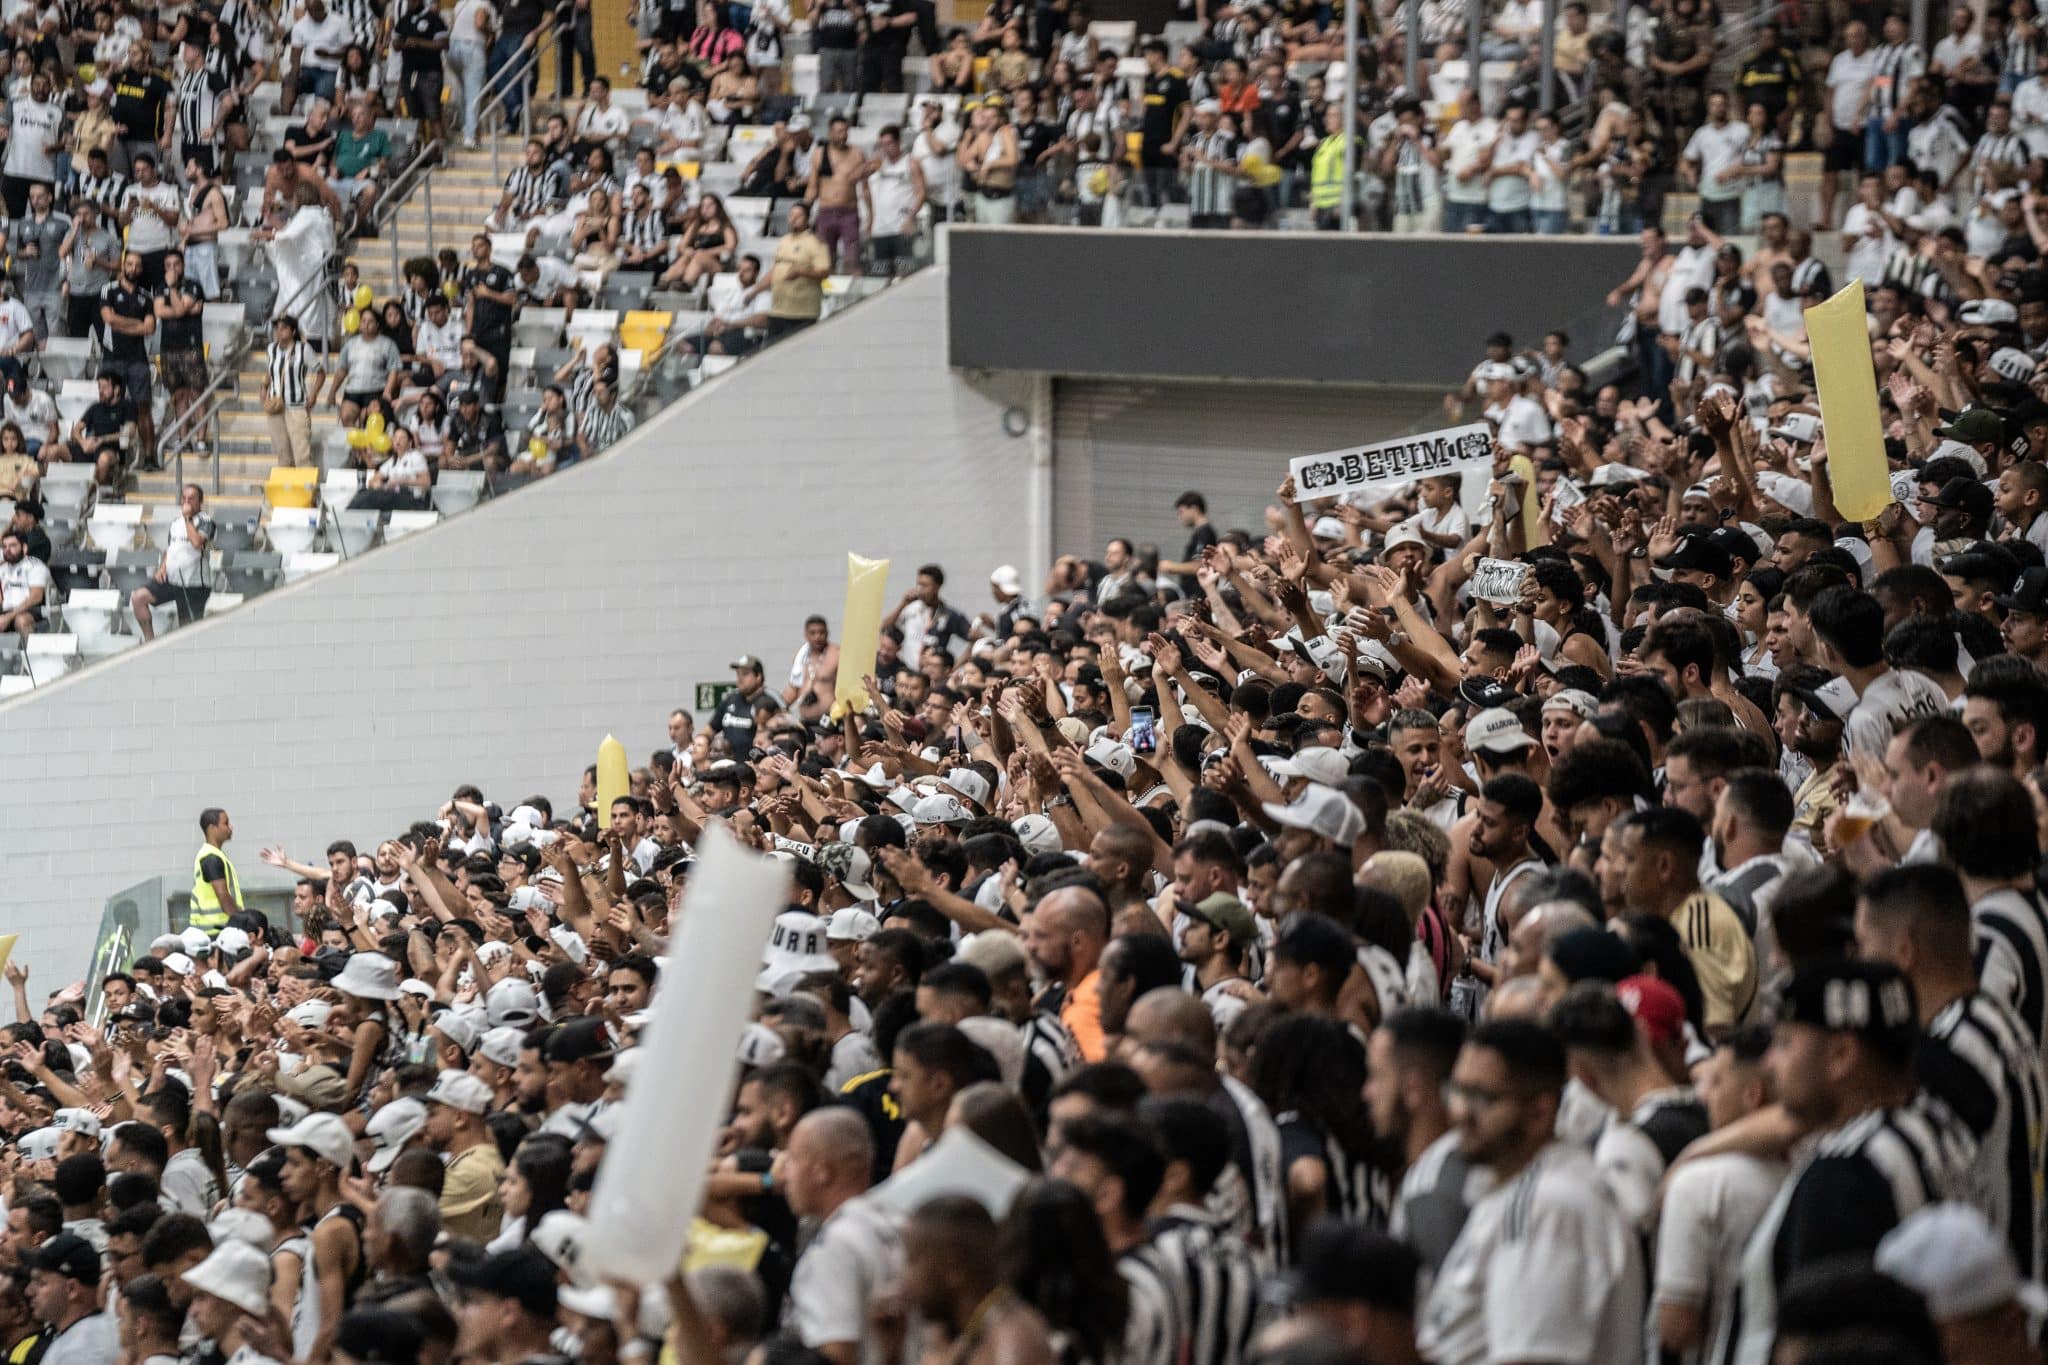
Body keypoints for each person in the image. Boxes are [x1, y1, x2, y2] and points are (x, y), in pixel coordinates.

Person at [1416, 1020, 1644, 1364]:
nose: (1460, 1112)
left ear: (1540, 1111)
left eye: (1482, 1098)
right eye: (1457, 1091)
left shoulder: (1548, 1206)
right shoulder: (1516, 1187)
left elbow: (1533, 1356)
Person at [130, 483, 213, 641]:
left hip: (194, 584)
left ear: (200, 502)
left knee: (188, 630)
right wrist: (162, 568)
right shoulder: (175, 523)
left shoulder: (206, 521)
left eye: (191, 499)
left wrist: (188, 518)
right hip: (172, 579)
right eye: (184, 498)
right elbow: (172, 548)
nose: (186, 502)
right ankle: (150, 641)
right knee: (138, 597)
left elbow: (196, 543)